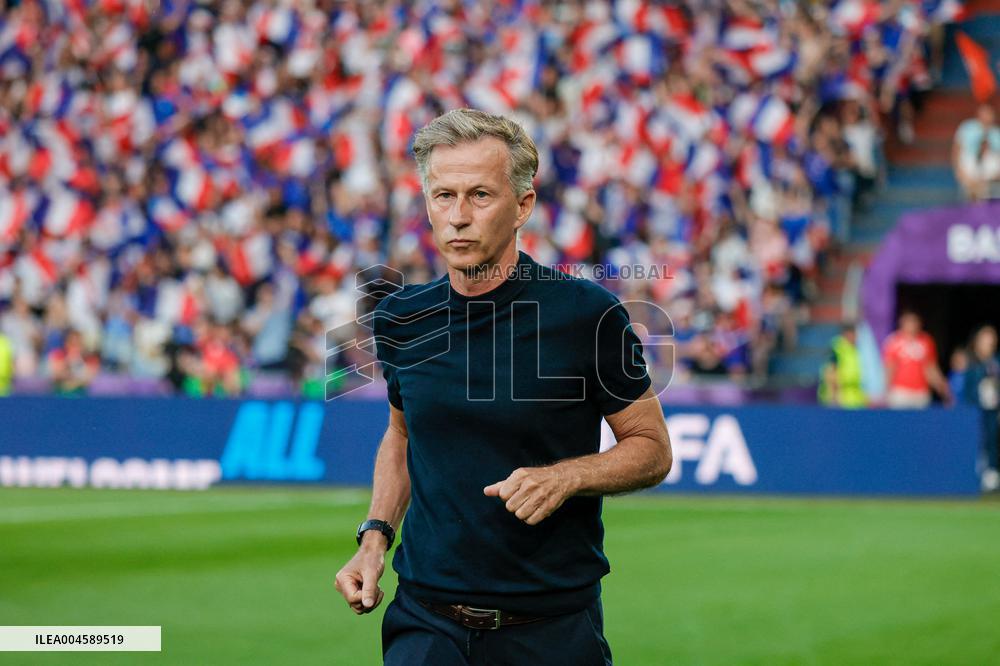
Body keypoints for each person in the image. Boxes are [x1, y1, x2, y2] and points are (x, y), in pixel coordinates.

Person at [333, 109, 672, 666]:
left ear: (523, 206)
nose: (458, 217)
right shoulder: (400, 316)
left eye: (479, 196)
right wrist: (373, 541)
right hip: (424, 625)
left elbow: (653, 449)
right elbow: (401, 436)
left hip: (550, 630)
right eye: (443, 196)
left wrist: (568, 476)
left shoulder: (587, 314)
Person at [882, 311, 951, 408]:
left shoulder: (926, 341)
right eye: (909, 321)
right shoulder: (893, 341)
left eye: (914, 321)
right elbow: (889, 367)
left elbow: (930, 368)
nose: (912, 325)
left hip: (920, 392)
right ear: (902, 323)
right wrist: (884, 390)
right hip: (900, 391)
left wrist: (942, 387)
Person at [963, 325, 1000, 492]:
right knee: (977, 441)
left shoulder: (996, 362)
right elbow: (967, 390)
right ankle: (975, 475)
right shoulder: (971, 363)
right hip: (975, 411)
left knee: (992, 440)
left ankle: (992, 477)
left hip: (993, 411)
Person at [819, 322, 867, 408]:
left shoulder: (855, 349)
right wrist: (834, 397)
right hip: (840, 398)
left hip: (854, 399)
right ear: (846, 334)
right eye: (853, 334)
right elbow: (830, 372)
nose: (855, 337)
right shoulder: (837, 348)